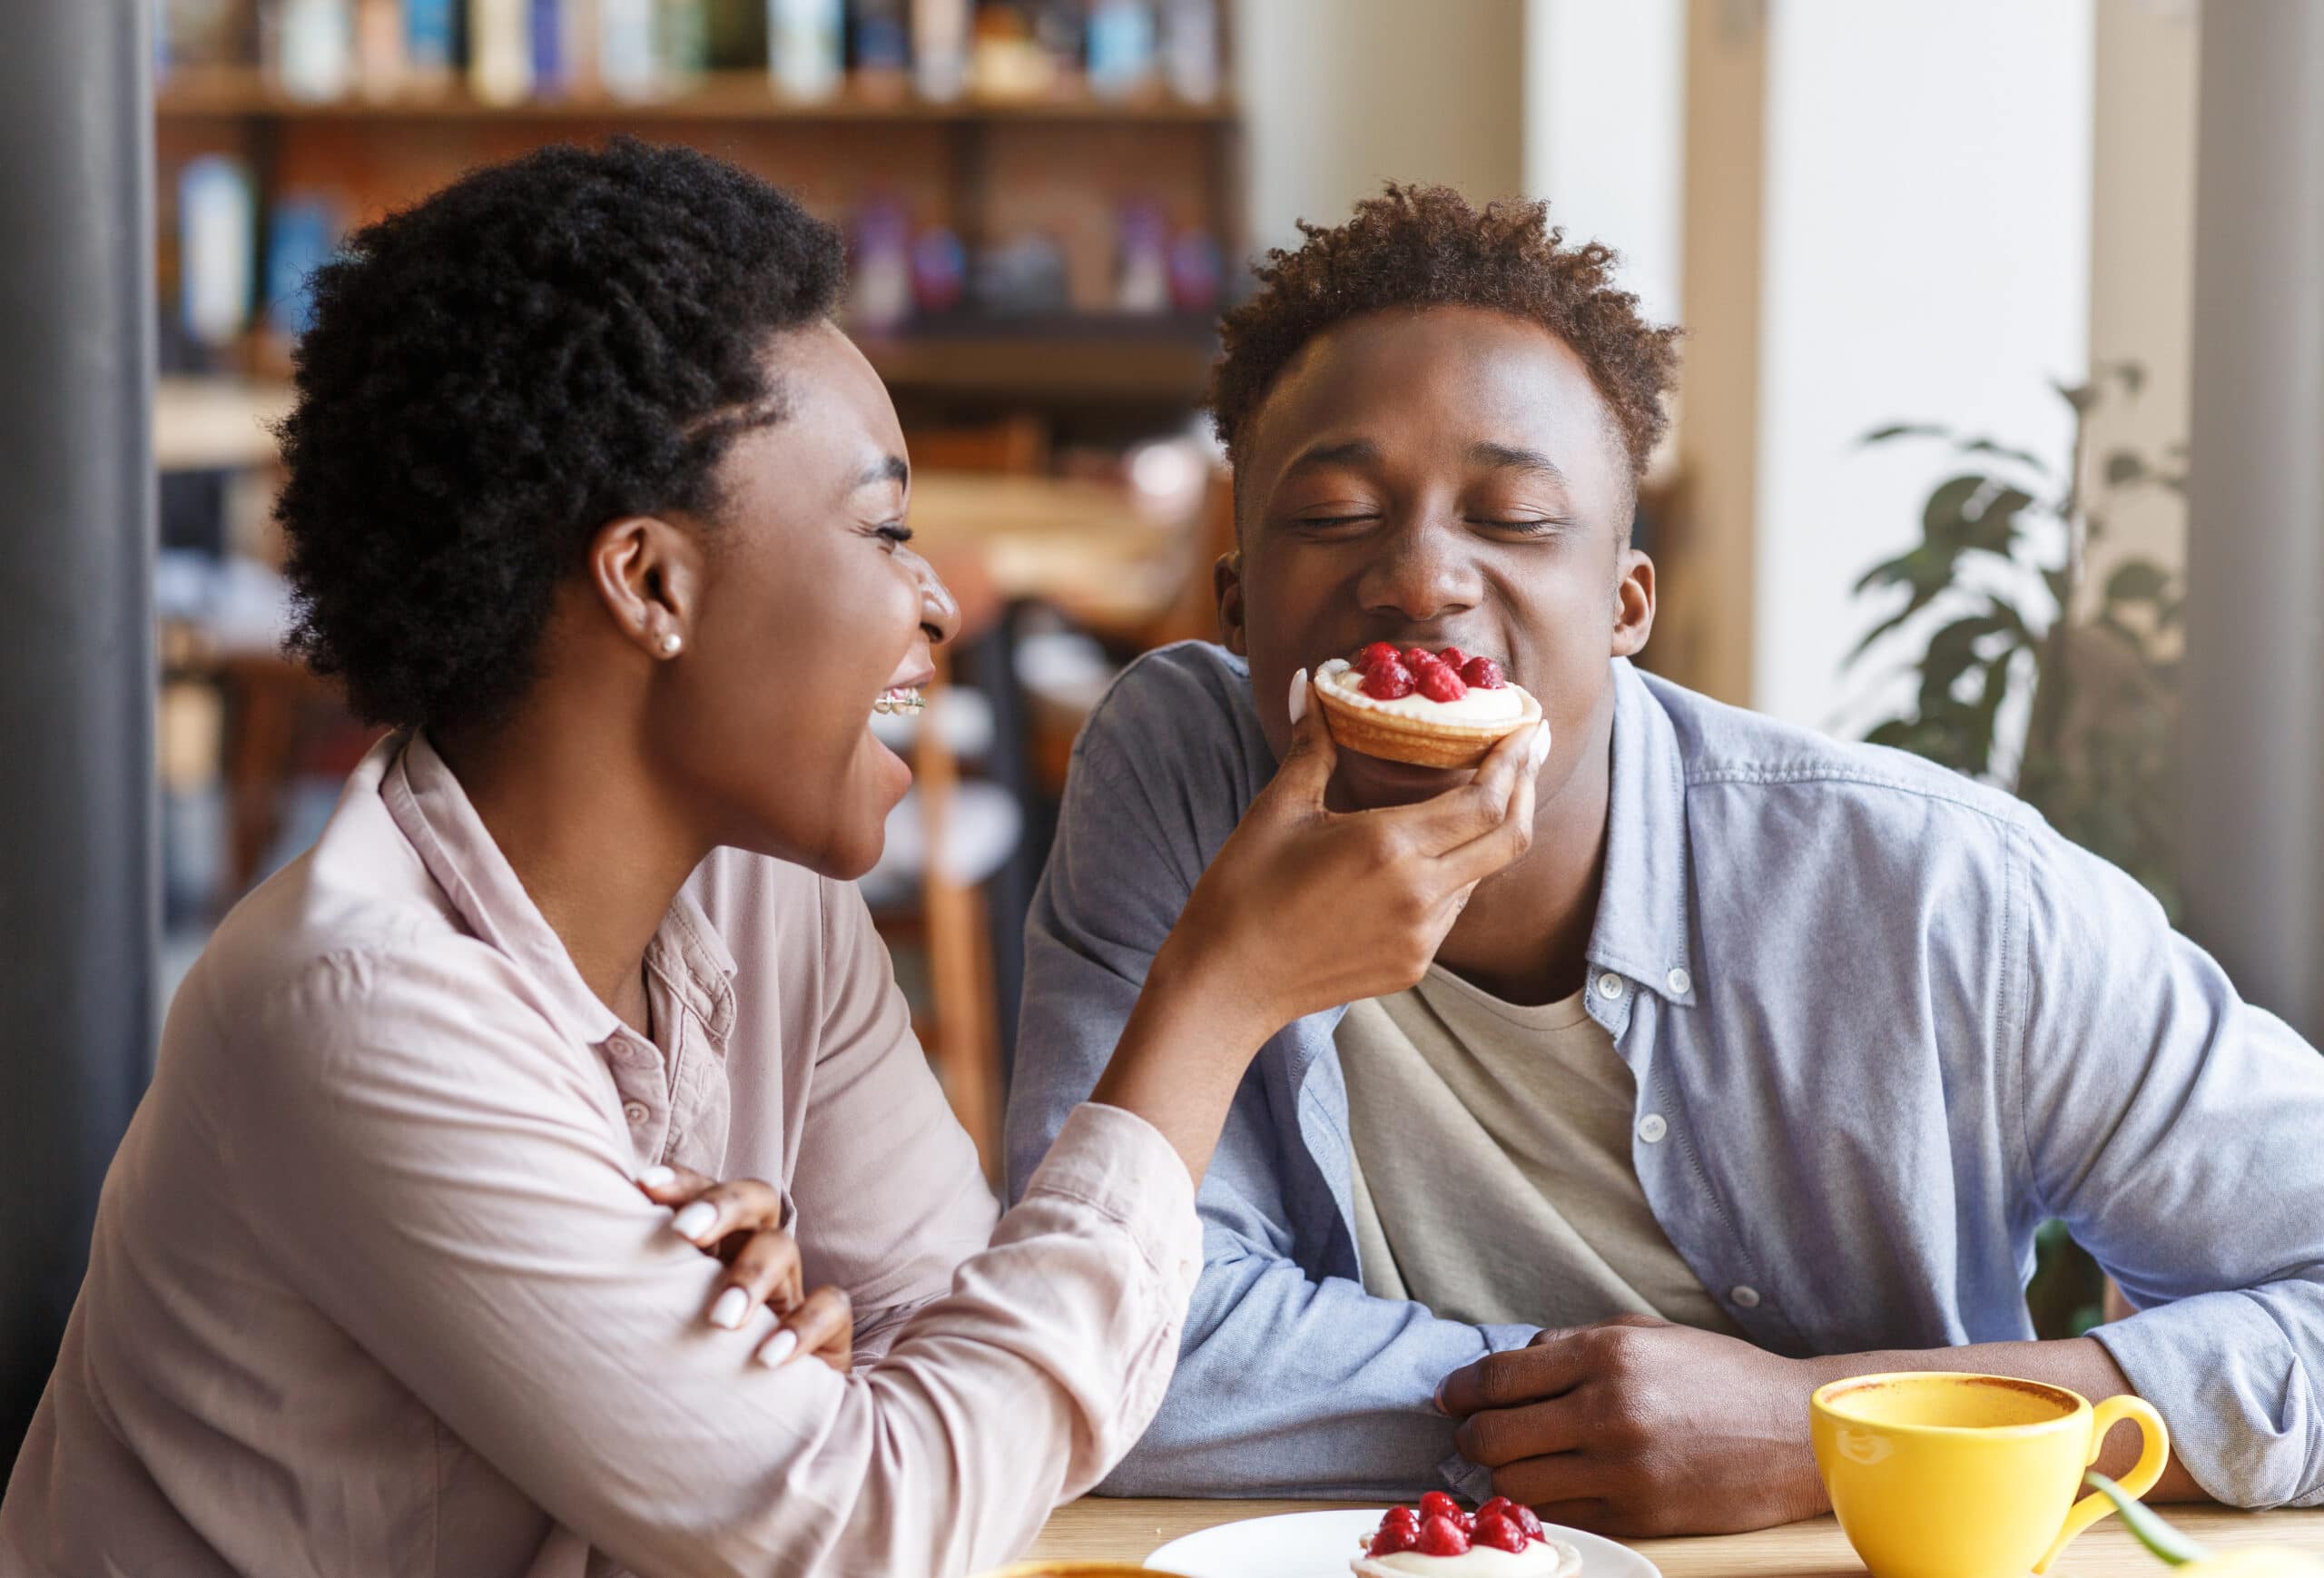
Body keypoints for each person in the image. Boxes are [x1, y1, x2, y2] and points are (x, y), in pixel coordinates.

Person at [0, 145, 1542, 1577]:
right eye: (883, 532)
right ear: (651, 581)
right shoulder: (357, 1003)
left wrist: (824, 1363)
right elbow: (869, 1522)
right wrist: (1218, 996)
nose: (937, 604)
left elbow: (979, 1368)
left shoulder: (765, 899)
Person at [1004, 182, 2324, 1534]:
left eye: (1513, 518)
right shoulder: (1183, 777)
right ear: (1236, 605)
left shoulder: (1934, 895)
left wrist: (1822, 1427)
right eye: (1337, 514)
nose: (1420, 578)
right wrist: (1583, 1420)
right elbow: (1104, 1349)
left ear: (1627, 603)